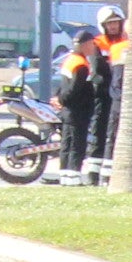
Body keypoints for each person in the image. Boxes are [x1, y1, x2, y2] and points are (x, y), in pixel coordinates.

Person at [88, 9, 129, 178]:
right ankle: (93, 173)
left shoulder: (126, 43)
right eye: (109, 23)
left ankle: (110, 172)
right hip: (101, 95)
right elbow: (98, 69)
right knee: (99, 131)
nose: (113, 26)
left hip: (118, 95)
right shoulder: (97, 43)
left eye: (116, 22)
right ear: (103, 26)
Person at [55, 28, 101, 179]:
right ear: (85, 45)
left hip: (68, 111)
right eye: (91, 44)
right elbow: (74, 90)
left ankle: (64, 175)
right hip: (77, 112)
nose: (93, 47)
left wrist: (59, 99)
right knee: (77, 145)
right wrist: (63, 100)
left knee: (66, 143)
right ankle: (73, 177)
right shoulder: (81, 65)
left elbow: (63, 86)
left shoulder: (69, 60)